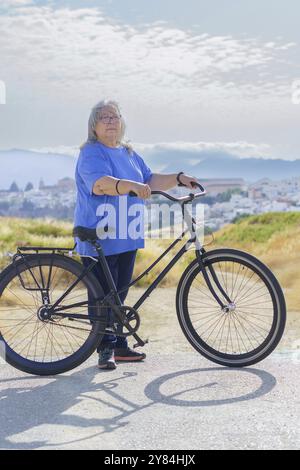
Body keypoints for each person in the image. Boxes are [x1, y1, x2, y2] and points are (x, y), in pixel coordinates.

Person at [74, 99, 198, 370]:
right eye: (104, 117)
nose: (110, 121)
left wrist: (178, 178)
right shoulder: (91, 153)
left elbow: (150, 179)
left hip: (126, 234)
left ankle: (118, 345)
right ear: (93, 126)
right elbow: (100, 184)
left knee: (119, 294)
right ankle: (103, 348)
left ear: (122, 122)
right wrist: (130, 185)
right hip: (99, 234)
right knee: (102, 296)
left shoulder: (128, 152)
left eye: (114, 117)